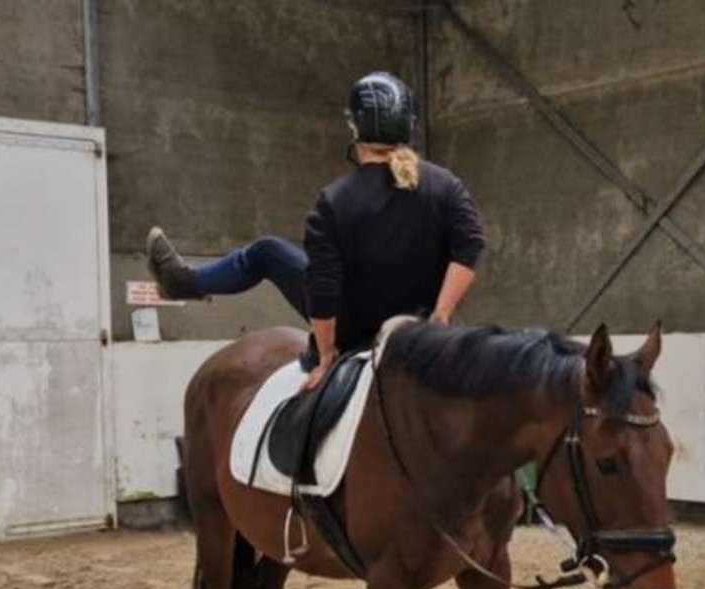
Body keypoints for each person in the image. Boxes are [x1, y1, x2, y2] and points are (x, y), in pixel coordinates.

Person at [145, 71, 484, 392]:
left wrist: (325, 356)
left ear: (355, 129)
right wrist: (440, 315)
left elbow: (324, 289)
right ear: (409, 125)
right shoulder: (446, 185)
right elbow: (469, 246)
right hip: (419, 329)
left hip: (355, 332)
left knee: (266, 252)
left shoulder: (335, 200)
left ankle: (184, 283)